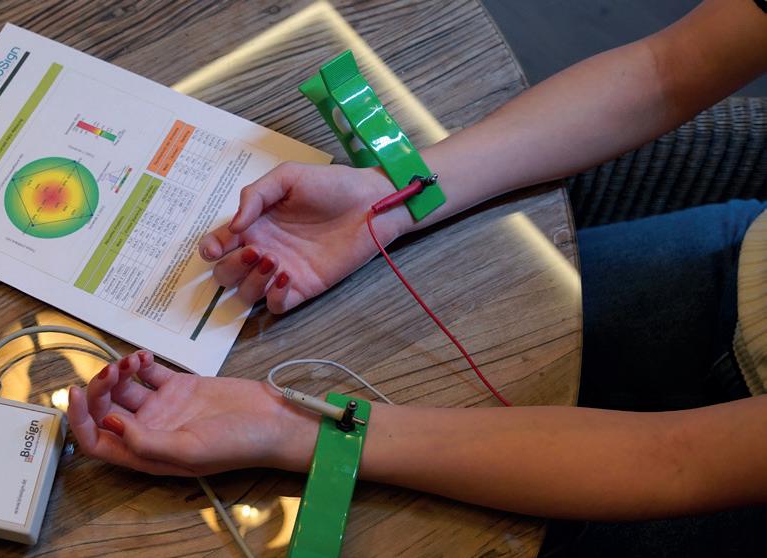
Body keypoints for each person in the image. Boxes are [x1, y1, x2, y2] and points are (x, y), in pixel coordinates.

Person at [68, 0, 767, 550]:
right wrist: (393, 197)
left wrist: (293, 429)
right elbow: (666, 69)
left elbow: (675, 463)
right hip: (737, 268)